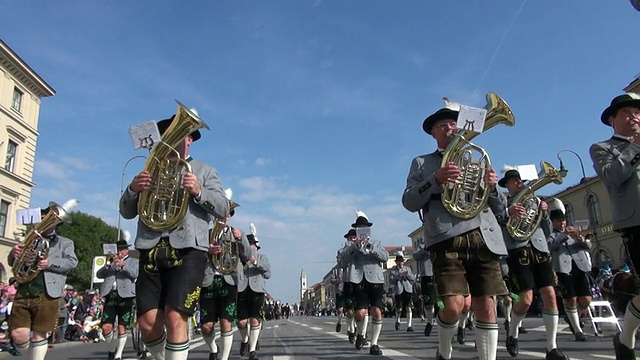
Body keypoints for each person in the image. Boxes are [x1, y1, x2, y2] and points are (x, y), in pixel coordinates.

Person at [402, 104, 509, 360]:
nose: (450, 128)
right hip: (446, 237)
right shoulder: (421, 162)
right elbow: (409, 201)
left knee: (486, 303)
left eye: (453, 124)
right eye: (443, 125)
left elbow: (500, 209)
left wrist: (492, 188)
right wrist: (435, 179)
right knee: (454, 305)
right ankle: (444, 349)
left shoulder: (474, 158)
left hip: (482, 235)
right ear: (433, 133)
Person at [120, 113, 229, 360]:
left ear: (189, 139)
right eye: (167, 134)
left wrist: (199, 191)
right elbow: (126, 212)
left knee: (175, 315)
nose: (172, 139)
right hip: (151, 245)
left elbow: (223, 207)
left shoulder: (205, 170)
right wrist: (133, 190)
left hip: (189, 248)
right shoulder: (150, 168)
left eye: (179, 133)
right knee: (148, 325)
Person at [496, 169, 568, 359]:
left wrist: (544, 213)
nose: (519, 183)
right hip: (518, 250)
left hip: (540, 249)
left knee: (550, 295)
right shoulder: (502, 201)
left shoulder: (534, 201)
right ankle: (513, 332)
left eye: (520, 180)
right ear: (507, 185)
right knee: (526, 299)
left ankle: (551, 347)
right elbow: (494, 220)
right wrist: (507, 212)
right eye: (514, 181)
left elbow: (546, 231)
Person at [589, 92, 640, 360]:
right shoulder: (602, 147)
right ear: (613, 120)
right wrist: (635, 147)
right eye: (627, 113)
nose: (635, 116)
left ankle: (624, 339)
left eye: (637, 112)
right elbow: (612, 176)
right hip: (636, 222)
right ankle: (625, 337)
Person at [8, 204, 79, 360]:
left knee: (40, 333)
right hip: (25, 289)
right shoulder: (27, 239)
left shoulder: (64, 243)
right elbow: (12, 263)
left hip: (48, 292)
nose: (41, 222)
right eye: (40, 219)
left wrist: (50, 262)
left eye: (46, 219)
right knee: (18, 334)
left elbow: (73, 262)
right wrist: (14, 254)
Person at [200, 195, 250, 360]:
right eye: (219, 213)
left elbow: (248, 255)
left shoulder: (236, 233)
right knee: (206, 326)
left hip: (228, 280)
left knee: (225, 322)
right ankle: (213, 349)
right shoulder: (205, 234)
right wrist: (208, 250)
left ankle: (224, 358)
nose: (222, 217)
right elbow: (194, 256)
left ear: (229, 217)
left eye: (226, 214)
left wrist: (241, 239)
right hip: (208, 280)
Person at [339, 212, 389, 356]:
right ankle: (361, 333)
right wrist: (354, 246)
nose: (362, 228)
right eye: (359, 227)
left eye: (364, 227)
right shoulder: (351, 246)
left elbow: (385, 257)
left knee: (377, 311)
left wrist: (371, 248)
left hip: (375, 280)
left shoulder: (377, 243)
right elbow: (343, 262)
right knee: (360, 313)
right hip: (358, 280)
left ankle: (374, 344)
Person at [548, 208, 592, 341]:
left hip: (579, 267)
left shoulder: (574, 233)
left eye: (563, 220)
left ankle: (573, 317)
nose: (562, 223)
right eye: (558, 221)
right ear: (553, 222)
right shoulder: (551, 236)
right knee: (570, 299)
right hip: (563, 270)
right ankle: (578, 330)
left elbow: (588, 246)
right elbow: (551, 247)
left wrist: (579, 237)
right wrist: (564, 235)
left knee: (586, 299)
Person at [97, 239, 139, 360]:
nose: (119, 252)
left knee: (122, 326)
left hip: (126, 295)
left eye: (121, 250)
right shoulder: (110, 262)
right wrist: (108, 265)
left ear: (126, 251)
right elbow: (99, 275)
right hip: (111, 294)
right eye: (118, 250)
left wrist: (123, 265)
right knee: (106, 326)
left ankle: (118, 355)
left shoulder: (133, 261)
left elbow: (135, 274)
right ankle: (111, 349)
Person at [236, 231, 270, 360]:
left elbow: (267, 272)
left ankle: (252, 351)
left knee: (255, 319)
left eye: (253, 245)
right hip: (242, 289)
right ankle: (245, 340)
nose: (251, 247)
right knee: (242, 322)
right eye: (249, 245)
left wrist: (255, 262)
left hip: (257, 291)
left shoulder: (262, 257)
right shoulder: (240, 259)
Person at [413, 244, 437, 336]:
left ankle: (446, 329)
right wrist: (425, 248)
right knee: (428, 303)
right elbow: (416, 257)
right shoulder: (421, 246)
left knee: (443, 303)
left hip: (439, 272)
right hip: (427, 276)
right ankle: (430, 322)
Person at [389, 253, 416, 332]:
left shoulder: (408, 269)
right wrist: (398, 276)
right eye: (399, 261)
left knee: (408, 307)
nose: (400, 263)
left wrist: (407, 275)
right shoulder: (393, 271)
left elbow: (413, 279)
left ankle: (409, 325)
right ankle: (397, 320)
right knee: (399, 308)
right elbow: (391, 281)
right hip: (399, 291)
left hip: (407, 290)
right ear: (396, 262)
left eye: (401, 261)